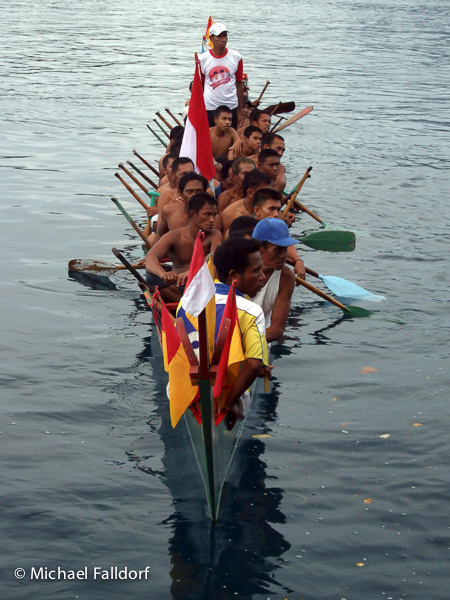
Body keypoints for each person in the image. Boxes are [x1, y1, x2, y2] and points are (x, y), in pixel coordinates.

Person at [212, 237, 271, 423]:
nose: (262, 277)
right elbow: (254, 365)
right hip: (224, 395)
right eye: (256, 271)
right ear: (233, 276)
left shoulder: (187, 302)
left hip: (187, 394)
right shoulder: (252, 311)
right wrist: (229, 404)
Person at [145, 193, 222, 303]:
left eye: (214, 215)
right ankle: (185, 304)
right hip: (179, 286)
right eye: (207, 214)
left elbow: (213, 259)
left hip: (202, 285)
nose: (212, 220)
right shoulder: (174, 236)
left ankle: (186, 305)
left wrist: (191, 272)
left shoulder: (215, 235)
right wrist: (162, 273)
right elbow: (150, 257)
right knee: (151, 276)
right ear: (193, 214)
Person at [251, 218, 297, 342]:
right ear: (259, 248)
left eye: (285, 249)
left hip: (260, 336)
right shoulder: (237, 269)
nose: (284, 255)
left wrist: (245, 342)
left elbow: (277, 330)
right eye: (277, 249)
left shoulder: (286, 277)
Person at [199, 22, 245, 129]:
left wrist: (240, 111)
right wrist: (199, 109)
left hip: (231, 106)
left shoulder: (236, 57)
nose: (223, 39)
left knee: (229, 139)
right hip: (210, 107)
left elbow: (239, 84)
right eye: (219, 36)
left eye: (225, 35)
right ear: (211, 38)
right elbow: (200, 85)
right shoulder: (203, 59)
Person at [252, 188, 306, 279]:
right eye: (272, 209)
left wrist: (298, 260)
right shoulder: (244, 230)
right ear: (257, 210)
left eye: (278, 209)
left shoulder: (277, 222)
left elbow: (283, 243)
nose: (276, 214)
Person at [154, 172, 208, 244]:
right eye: (189, 191)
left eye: (199, 191)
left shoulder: (213, 218)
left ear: (205, 193)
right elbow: (159, 235)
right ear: (180, 193)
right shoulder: (168, 212)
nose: (194, 195)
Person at [221, 170, 271, 237]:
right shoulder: (230, 213)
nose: (267, 196)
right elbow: (227, 241)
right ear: (250, 193)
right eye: (264, 192)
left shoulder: (272, 211)